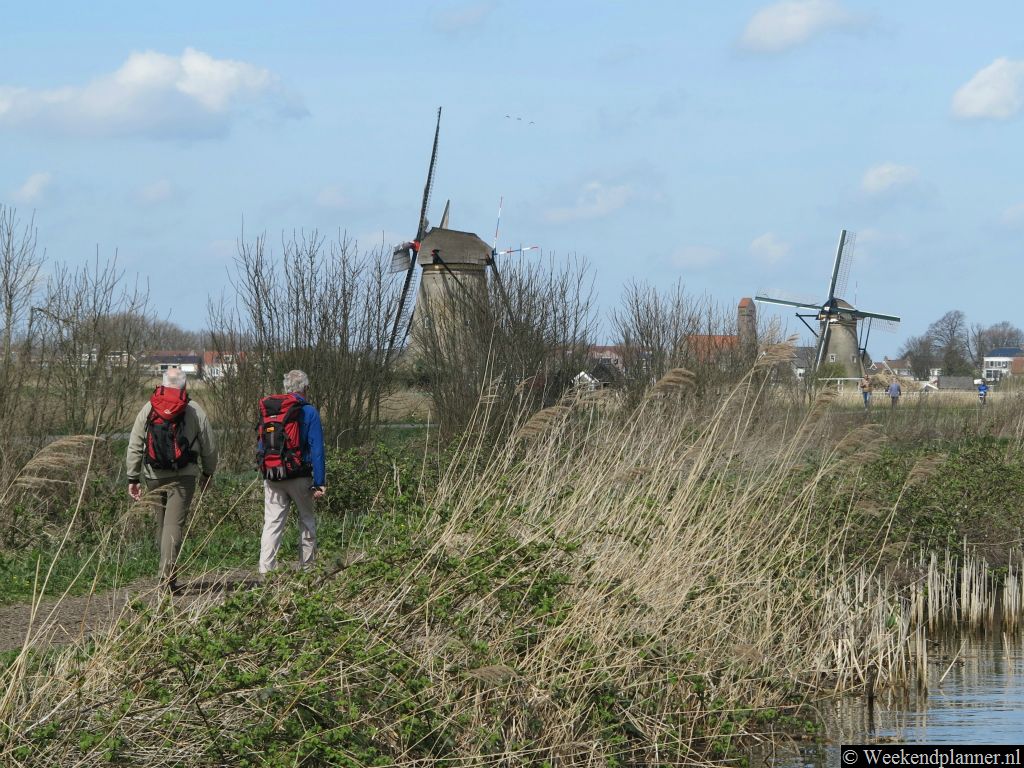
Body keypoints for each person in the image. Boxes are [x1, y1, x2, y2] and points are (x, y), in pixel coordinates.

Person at [126, 367, 217, 594]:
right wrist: (208, 473)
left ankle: (167, 575)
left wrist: (132, 477)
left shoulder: (148, 408)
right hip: (183, 475)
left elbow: (135, 444)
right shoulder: (194, 410)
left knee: (162, 524)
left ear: (163, 384)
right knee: (173, 525)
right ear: (185, 385)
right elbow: (210, 446)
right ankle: (166, 579)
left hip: (154, 476)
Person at [258, 369, 326, 574]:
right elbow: (317, 449)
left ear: (286, 388)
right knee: (306, 519)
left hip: (273, 474)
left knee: (272, 523)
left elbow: (262, 444)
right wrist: (320, 481)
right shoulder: (309, 411)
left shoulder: (272, 410)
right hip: (299, 475)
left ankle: (265, 571)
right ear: (305, 388)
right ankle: (308, 569)